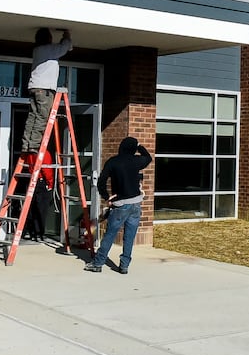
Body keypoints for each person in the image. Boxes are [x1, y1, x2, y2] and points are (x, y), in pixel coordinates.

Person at [85, 136, 152, 275]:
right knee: (129, 237)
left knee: (110, 235)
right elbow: (148, 157)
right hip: (135, 204)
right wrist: (139, 145)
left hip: (120, 205)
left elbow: (101, 182)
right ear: (133, 149)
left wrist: (106, 197)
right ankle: (124, 266)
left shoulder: (113, 162)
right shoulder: (137, 161)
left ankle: (98, 263)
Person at [19, 27, 72, 156]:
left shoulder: (37, 50)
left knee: (33, 116)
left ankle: (27, 144)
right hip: (44, 89)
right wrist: (67, 36)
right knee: (42, 116)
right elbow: (66, 47)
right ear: (49, 38)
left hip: (34, 87)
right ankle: (34, 146)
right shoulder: (50, 49)